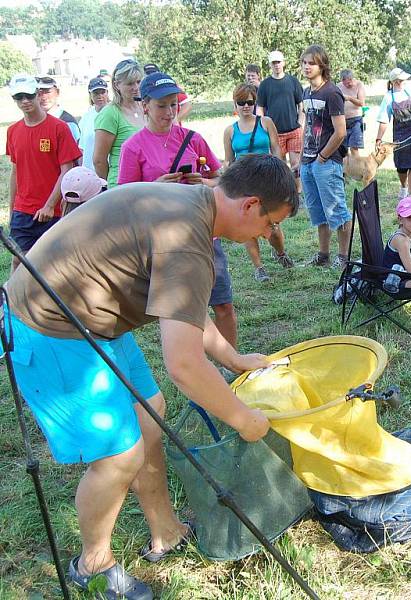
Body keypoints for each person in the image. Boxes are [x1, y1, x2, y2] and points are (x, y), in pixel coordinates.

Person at [4, 154, 295, 599]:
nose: (268, 234)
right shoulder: (187, 239)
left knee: (150, 412)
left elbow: (189, 310)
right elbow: (183, 365)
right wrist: (243, 418)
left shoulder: (196, 206)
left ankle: (167, 530)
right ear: (251, 204)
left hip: (94, 315)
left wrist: (234, 360)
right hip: (48, 325)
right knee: (119, 455)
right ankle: (92, 566)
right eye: (271, 223)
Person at [116, 72, 241, 352]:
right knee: (182, 315)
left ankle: (232, 367)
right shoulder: (132, 147)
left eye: (174, 104)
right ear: (144, 106)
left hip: (204, 233)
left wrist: (204, 181)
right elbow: (124, 200)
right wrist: (155, 186)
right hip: (165, 242)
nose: (170, 112)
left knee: (223, 304)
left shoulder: (193, 139)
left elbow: (223, 179)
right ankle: (194, 367)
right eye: (162, 106)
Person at [5, 73, 83, 271]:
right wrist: (12, 209)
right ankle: (11, 302)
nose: (24, 101)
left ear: (37, 94)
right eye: (18, 97)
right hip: (23, 211)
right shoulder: (13, 131)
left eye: (29, 96)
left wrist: (50, 205)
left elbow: (67, 169)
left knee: (53, 266)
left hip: (53, 211)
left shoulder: (59, 128)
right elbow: (15, 171)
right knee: (19, 261)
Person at [223, 82, 295, 282]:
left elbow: (276, 148)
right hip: (243, 183)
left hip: (267, 180)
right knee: (248, 228)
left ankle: (280, 252)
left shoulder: (266, 122)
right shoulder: (230, 131)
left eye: (249, 102)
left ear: (255, 103)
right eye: (241, 102)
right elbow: (229, 161)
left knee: (272, 225)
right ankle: (259, 268)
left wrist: (282, 172)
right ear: (235, 104)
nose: (245, 106)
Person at [299, 44, 351, 269]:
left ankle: (343, 256)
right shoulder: (306, 91)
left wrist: (321, 157)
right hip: (307, 161)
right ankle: (323, 254)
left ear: (322, 65)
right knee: (318, 212)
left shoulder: (332, 92)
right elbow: (307, 126)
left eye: (311, 63)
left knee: (337, 211)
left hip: (326, 162)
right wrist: (303, 157)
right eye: (304, 63)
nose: (307, 67)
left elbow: (341, 132)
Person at [375, 68, 411, 200]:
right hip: (401, 135)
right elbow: (384, 120)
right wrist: (378, 138)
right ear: (395, 81)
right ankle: (403, 187)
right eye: (401, 80)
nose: (404, 82)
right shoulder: (389, 97)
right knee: (401, 166)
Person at [256, 50, 304, 192]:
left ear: (284, 63)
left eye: (279, 62)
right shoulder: (265, 85)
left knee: (295, 162)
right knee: (280, 164)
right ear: (270, 65)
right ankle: (286, 191)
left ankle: (298, 191)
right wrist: (261, 125)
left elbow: (301, 104)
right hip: (275, 132)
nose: (277, 65)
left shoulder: (293, 81)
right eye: (274, 63)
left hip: (294, 130)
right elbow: (260, 107)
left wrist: (300, 123)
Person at [93, 59, 145, 186]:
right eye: (130, 84)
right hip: (122, 187)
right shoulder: (110, 113)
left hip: (147, 185)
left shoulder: (146, 107)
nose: (136, 88)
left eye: (138, 82)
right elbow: (99, 160)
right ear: (117, 85)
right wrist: (113, 183)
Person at [77, 77, 109, 173]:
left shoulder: (114, 113)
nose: (100, 96)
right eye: (96, 93)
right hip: (88, 171)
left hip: (107, 170)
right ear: (90, 95)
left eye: (102, 92)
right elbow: (82, 146)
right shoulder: (86, 117)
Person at [36, 75, 81, 142]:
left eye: (48, 92)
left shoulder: (68, 123)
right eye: (40, 93)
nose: (44, 97)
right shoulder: (35, 121)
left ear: (57, 92)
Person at [337, 69, 366, 157]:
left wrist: (350, 98)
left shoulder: (359, 85)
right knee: (342, 149)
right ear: (342, 81)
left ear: (352, 78)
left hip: (356, 120)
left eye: (350, 81)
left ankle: (356, 169)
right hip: (342, 121)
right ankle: (345, 169)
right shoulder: (338, 86)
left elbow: (361, 103)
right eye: (346, 83)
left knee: (354, 147)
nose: (349, 84)